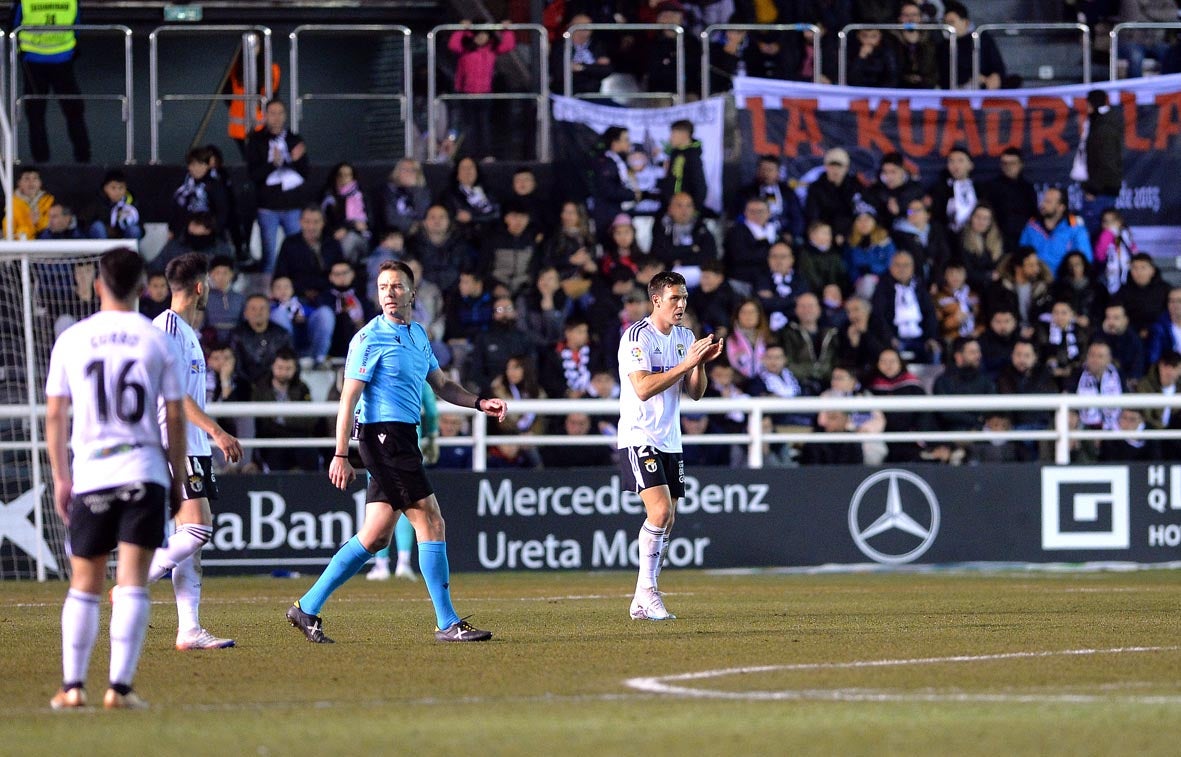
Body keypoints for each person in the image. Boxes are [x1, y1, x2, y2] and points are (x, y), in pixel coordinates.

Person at [285, 260, 505, 643]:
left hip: (404, 436)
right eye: (383, 286)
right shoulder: (369, 338)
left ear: (412, 294)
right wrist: (341, 453)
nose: (389, 292)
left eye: (397, 286)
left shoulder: (419, 334)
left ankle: (306, 608)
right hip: (383, 436)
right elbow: (347, 398)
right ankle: (447, 621)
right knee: (430, 521)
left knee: (374, 537)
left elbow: (441, 384)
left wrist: (479, 402)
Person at [45, 247, 186, 710]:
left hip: (91, 472)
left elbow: (55, 416)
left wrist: (61, 478)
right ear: (145, 288)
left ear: (99, 285)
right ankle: (119, 689)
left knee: (83, 584)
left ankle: (72, 687)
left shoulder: (73, 338)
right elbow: (175, 417)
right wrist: (178, 480)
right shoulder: (157, 340)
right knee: (132, 582)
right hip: (145, 471)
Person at [145, 254, 243, 651]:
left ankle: (189, 630)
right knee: (199, 529)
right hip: (175, 443)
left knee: (188, 540)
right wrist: (218, 432)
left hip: (191, 445)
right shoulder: (167, 327)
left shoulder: (186, 331)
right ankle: (135, 577)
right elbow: (174, 394)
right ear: (200, 287)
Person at [617, 270, 724, 621]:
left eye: (685, 298)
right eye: (675, 298)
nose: (681, 304)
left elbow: (694, 393)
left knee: (669, 518)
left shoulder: (685, 336)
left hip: (670, 439)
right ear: (656, 300)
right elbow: (644, 388)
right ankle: (649, 593)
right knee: (659, 512)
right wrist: (686, 363)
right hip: (639, 435)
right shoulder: (636, 337)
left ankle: (640, 598)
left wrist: (701, 366)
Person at [367, 383, 439, 582]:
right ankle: (404, 562)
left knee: (379, 504)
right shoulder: (417, 366)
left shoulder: (374, 369)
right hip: (411, 442)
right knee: (412, 504)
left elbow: (358, 405)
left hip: (377, 441)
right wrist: (432, 436)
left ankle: (381, 564)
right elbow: (431, 409)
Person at [13, 0, 90, 162]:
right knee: (74, 111)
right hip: (61, 59)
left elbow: (14, 27)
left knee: (36, 114)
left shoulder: (24, 1)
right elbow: (77, 26)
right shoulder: (71, 1)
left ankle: (41, 162)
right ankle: (83, 159)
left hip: (34, 60)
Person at [246, 99, 309, 275]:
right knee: (270, 256)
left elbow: (305, 173)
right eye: (272, 113)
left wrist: (295, 160)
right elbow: (253, 175)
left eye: (280, 113)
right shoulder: (256, 140)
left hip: (292, 205)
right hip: (268, 207)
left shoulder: (294, 139)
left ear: (286, 115)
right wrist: (273, 164)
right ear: (265, 115)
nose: (276, 117)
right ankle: (267, 296)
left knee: (297, 251)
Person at [448, 20, 516, 160]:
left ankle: (486, 154)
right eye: (478, 35)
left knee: (484, 125)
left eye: (484, 35)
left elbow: (508, 45)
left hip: (485, 94)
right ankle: (471, 155)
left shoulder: (491, 50)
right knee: (469, 126)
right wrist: (462, 29)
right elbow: (453, 45)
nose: (481, 38)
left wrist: (506, 30)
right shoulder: (465, 50)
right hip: (467, 93)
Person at [1019, 186, 1092, 276]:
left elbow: (1085, 259)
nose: (1043, 205)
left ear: (1061, 207)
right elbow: (1021, 255)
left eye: (1048, 202)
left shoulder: (1075, 229)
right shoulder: (1031, 227)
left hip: (1064, 284)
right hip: (1036, 281)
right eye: (1044, 200)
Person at [938, 1, 1007, 89]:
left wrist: (996, 76)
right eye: (946, 23)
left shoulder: (983, 38)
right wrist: (971, 78)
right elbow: (945, 75)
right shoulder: (943, 46)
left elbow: (997, 65)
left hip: (986, 89)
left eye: (951, 22)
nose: (948, 28)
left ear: (966, 22)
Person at [983, 148, 1038, 253]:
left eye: (1012, 163)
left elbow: (1034, 215)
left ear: (1021, 164)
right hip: (998, 239)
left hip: (1024, 239)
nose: (1008, 167)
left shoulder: (1028, 188)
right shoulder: (991, 187)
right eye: (1004, 163)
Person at [5, 166, 54, 240]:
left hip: (46, 245)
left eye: (35, 178)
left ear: (40, 183)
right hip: (21, 246)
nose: (31, 182)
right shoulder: (11, 203)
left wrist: (38, 221)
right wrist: (29, 228)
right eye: (27, 179)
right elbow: (8, 232)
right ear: (19, 183)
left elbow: (55, 226)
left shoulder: (50, 200)